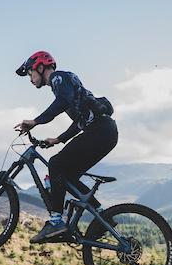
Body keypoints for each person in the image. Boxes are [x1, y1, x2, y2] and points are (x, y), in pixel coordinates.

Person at [14, 51, 118, 243]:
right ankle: (105, 218)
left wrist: (36, 121)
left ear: (40, 66)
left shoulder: (58, 77)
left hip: (100, 131)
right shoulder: (63, 83)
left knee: (56, 164)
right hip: (104, 132)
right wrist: (58, 139)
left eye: (30, 73)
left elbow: (62, 103)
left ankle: (56, 222)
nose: (30, 79)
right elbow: (81, 119)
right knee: (67, 176)